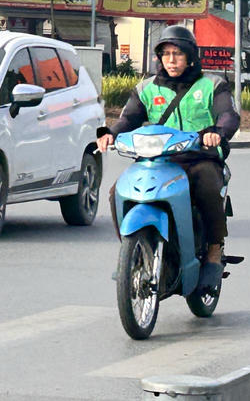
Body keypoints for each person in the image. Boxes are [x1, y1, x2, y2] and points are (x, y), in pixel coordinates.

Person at [97, 25, 240, 292]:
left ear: (191, 57)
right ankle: (133, 252)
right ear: (159, 58)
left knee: (208, 185)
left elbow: (228, 115)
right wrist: (111, 134)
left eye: (178, 54)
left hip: (200, 157)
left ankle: (212, 251)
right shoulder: (146, 88)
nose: (172, 60)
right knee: (117, 191)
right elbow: (129, 119)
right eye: (166, 54)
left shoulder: (212, 84)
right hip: (159, 158)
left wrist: (218, 133)